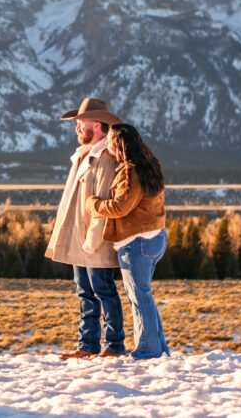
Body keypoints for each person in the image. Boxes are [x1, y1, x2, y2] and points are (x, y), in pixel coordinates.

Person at [45, 97, 126, 360]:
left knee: (103, 290)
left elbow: (102, 203)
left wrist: (93, 240)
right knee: (85, 292)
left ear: (98, 124)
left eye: (81, 122)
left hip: (94, 240)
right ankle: (87, 345)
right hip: (79, 238)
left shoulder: (105, 158)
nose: (77, 127)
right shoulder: (83, 156)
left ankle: (114, 346)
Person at [84, 122, 169, 360]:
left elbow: (121, 206)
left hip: (136, 241)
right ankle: (158, 348)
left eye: (111, 140)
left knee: (138, 296)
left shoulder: (130, 171)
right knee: (144, 295)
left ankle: (147, 350)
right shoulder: (150, 165)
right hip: (155, 237)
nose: (108, 144)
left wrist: (93, 204)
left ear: (120, 145)